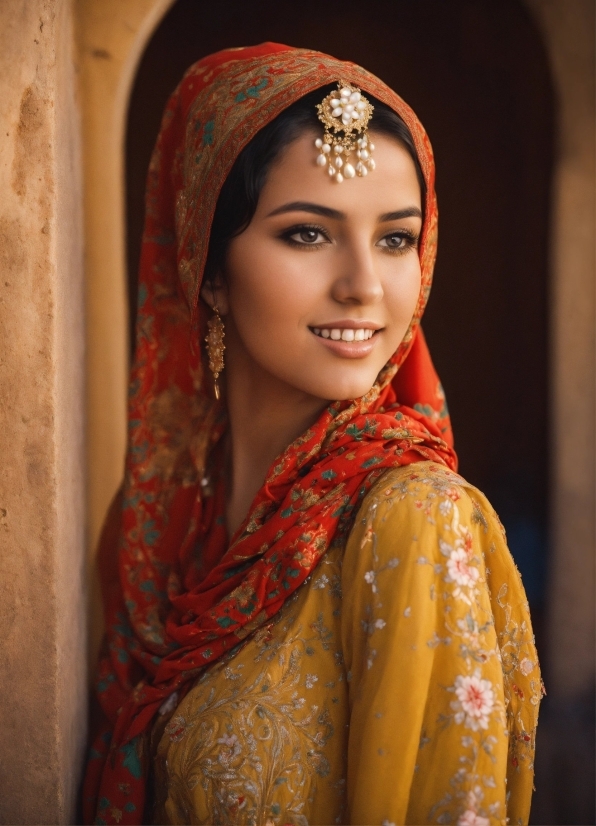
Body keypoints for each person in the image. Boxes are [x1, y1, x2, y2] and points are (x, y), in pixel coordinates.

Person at [83, 43, 541, 826]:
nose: (365, 284)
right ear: (211, 272)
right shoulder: (161, 522)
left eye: (396, 239)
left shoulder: (412, 521)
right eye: (307, 234)